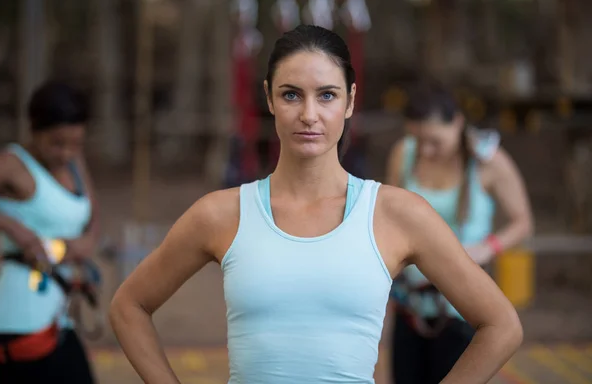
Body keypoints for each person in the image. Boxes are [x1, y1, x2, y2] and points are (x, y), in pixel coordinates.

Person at [109, 25, 523, 384]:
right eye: (292, 95)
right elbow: (129, 306)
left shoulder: (398, 214)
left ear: (351, 100)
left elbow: (502, 326)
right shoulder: (221, 214)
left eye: (327, 95)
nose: (309, 114)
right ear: (269, 98)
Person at [386, 83, 533, 384]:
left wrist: (487, 247)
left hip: (461, 307)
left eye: (434, 141)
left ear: (458, 123)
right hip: (410, 303)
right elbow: (390, 215)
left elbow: (523, 222)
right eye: (417, 139)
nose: (425, 150)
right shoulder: (405, 152)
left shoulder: (488, 161)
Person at [0, 81, 99, 383]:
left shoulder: (74, 162)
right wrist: (12, 227)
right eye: (56, 142)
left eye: (76, 143)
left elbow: (91, 215)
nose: (66, 152)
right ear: (33, 130)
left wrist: (83, 244)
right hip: (18, 319)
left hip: (58, 314)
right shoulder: (11, 165)